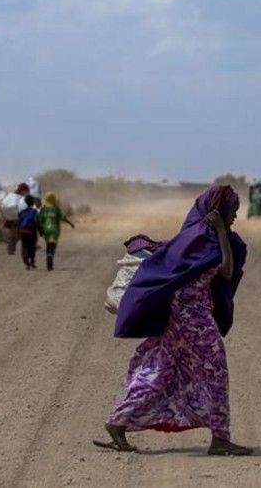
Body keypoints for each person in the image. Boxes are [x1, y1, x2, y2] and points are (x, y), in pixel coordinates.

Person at [94, 185, 252, 456]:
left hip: (177, 318)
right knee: (215, 371)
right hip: (193, 318)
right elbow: (225, 270)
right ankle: (220, 439)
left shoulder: (191, 236)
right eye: (232, 212)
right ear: (217, 212)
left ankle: (118, 422)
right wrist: (223, 234)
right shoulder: (207, 238)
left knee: (161, 369)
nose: (234, 218)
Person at [38, 191, 75, 271]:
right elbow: (63, 217)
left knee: (48, 245)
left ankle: (48, 257)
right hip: (54, 230)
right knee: (53, 245)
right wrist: (70, 223)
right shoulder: (56, 209)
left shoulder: (43, 209)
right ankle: (50, 259)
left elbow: (40, 220)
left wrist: (40, 229)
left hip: (46, 230)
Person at [15, 194, 40, 269]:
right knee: (32, 246)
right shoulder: (34, 211)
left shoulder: (22, 212)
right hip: (31, 230)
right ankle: (32, 261)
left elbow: (17, 222)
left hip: (23, 231)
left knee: (24, 245)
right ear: (32, 202)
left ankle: (26, 260)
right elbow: (36, 220)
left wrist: (17, 231)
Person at [6, 182, 31, 255]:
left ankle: (11, 249)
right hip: (15, 219)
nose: (27, 192)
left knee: (17, 235)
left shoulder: (16, 197)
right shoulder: (16, 197)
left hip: (16, 219)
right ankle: (10, 249)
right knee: (15, 235)